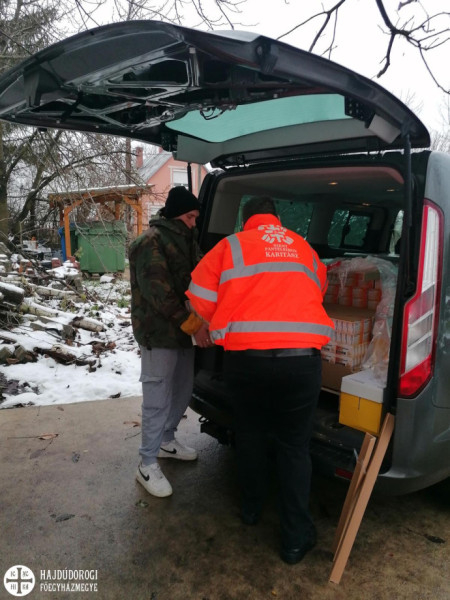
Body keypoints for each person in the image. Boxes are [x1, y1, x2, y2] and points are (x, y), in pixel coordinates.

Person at [186, 196, 334, 564]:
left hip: (246, 361)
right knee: (294, 447)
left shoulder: (230, 246)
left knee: (250, 434)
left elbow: (198, 298)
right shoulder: (304, 248)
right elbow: (318, 291)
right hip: (301, 362)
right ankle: (295, 540)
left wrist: (216, 320)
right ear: (277, 219)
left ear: (246, 219)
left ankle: (251, 509)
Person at [129, 186, 211, 498]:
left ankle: (166, 440)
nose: (194, 222)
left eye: (196, 217)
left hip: (182, 333)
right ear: (176, 214)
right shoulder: (149, 242)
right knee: (157, 397)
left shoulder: (187, 239)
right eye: (190, 217)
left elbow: (199, 278)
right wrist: (195, 326)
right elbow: (159, 294)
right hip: (158, 333)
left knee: (182, 390)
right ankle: (147, 463)